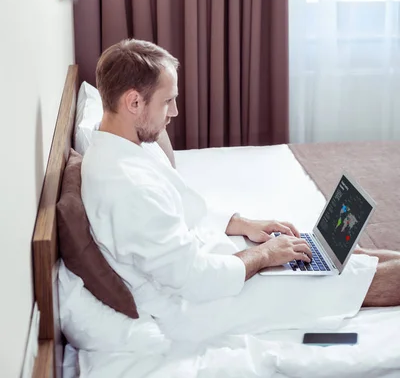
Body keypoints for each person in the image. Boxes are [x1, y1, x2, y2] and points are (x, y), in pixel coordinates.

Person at [81, 39, 400, 343]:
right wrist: (263, 255)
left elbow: (179, 207)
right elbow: (194, 279)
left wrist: (241, 223)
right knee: (355, 279)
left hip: (210, 258)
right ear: (133, 102)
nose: (175, 112)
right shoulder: (127, 188)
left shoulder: (122, 143)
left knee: (338, 253)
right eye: (167, 101)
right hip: (203, 304)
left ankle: (326, 258)